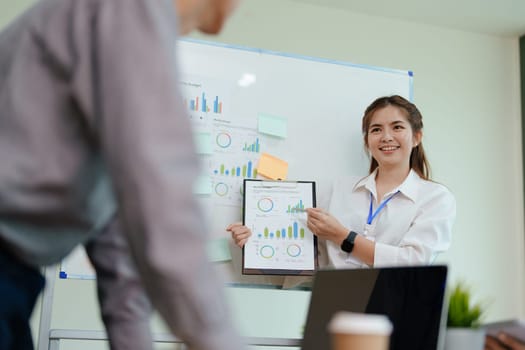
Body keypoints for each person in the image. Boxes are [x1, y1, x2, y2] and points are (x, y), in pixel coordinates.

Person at [0, 0, 244, 350]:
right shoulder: (133, 8)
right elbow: (163, 194)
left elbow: (119, 255)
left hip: (15, 277)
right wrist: (218, 340)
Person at [229, 95, 456, 270]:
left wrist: (343, 237)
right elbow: (307, 250)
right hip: (333, 302)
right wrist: (256, 235)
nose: (386, 137)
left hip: (395, 308)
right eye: (376, 130)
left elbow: (413, 263)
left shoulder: (435, 198)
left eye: (397, 127)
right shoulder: (338, 189)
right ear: (367, 141)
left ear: (417, 137)